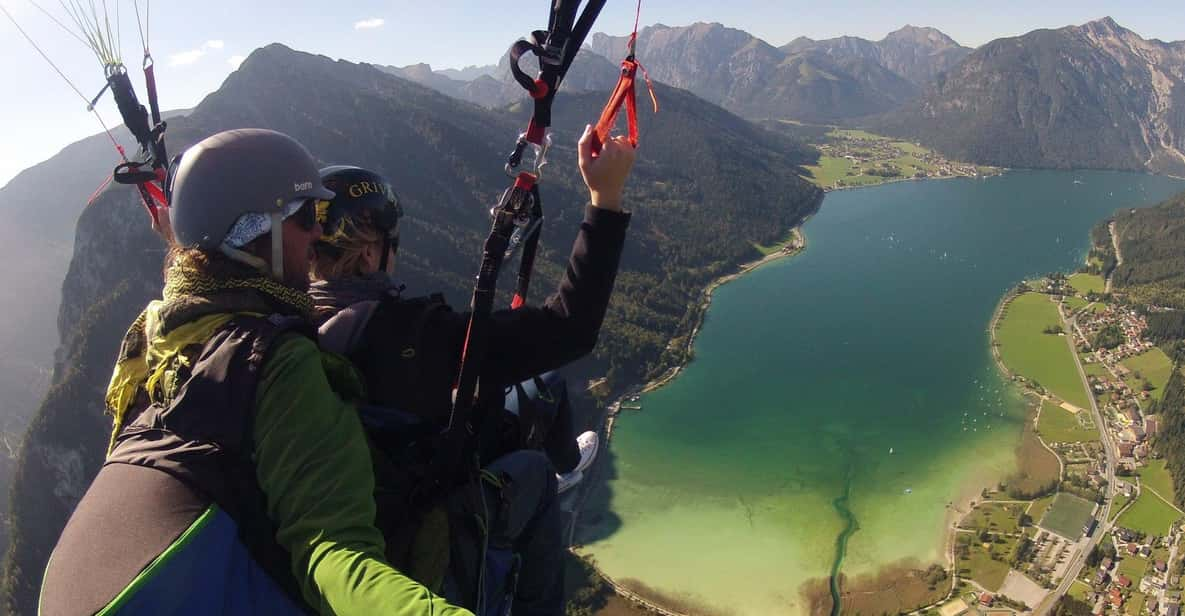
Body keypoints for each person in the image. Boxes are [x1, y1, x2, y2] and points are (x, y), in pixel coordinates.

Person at [39, 129, 473, 616]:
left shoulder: (166, 330)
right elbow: (332, 557)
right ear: (252, 229)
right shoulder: (274, 358)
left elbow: (201, 257)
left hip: (73, 586)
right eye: (307, 215)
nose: (318, 235)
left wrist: (188, 229)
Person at [308, 125, 635, 615]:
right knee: (534, 469)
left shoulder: (284, 327)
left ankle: (566, 464)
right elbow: (571, 327)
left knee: (542, 386)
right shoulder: (418, 337)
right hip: (421, 508)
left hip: (367, 488)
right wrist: (604, 196)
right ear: (373, 252)